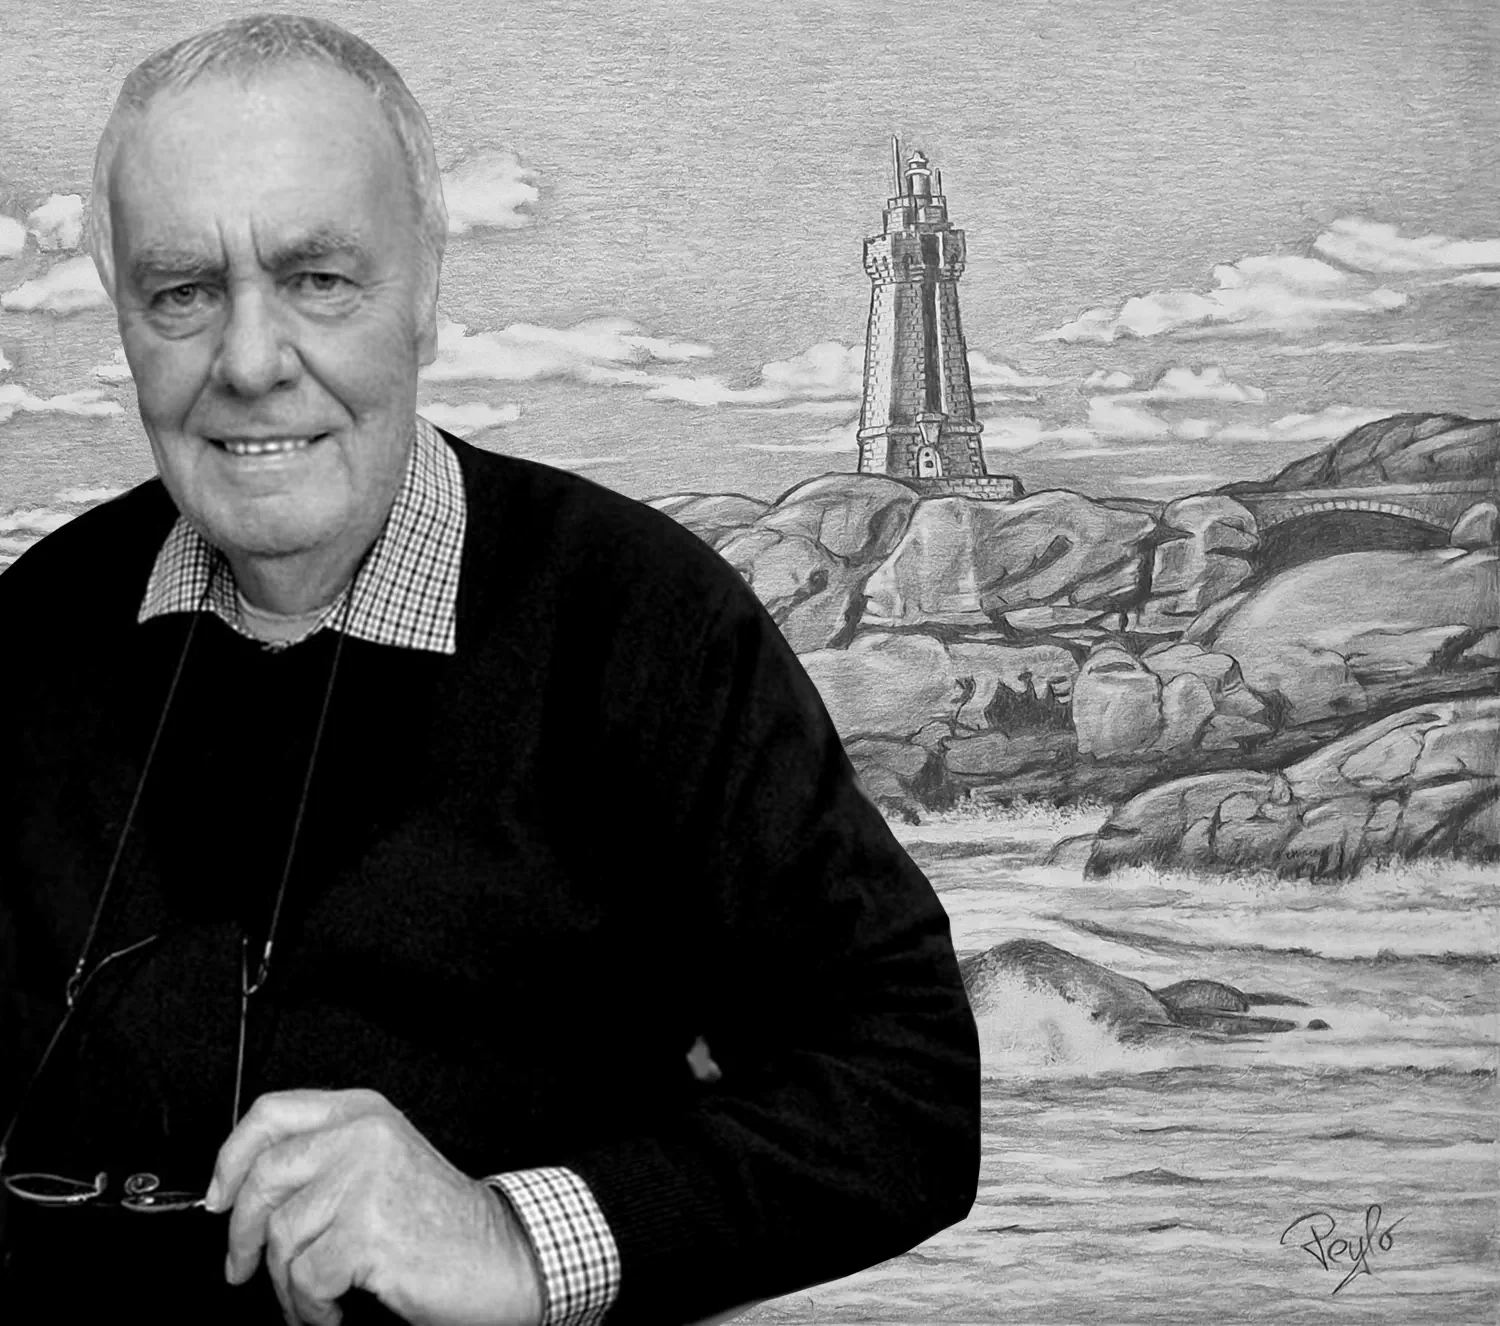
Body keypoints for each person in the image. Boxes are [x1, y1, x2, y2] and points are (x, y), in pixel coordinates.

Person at [0, 14, 980, 1325]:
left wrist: (514, 1239)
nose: (247, 362)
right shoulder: (27, 631)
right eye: (182, 292)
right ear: (124, 316)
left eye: (318, 280)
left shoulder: (642, 619)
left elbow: (908, 1085)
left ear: (425, 295)